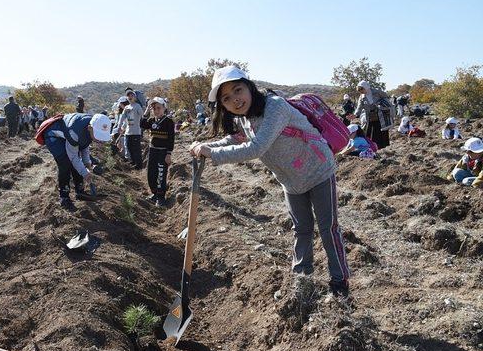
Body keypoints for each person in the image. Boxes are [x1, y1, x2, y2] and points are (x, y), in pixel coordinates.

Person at [189, 66, 350, 297]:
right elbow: (238, 137)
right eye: (227, 98)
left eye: (238, 90)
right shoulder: (246, 118)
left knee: (328, 229)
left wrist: (212, 154)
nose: (235, 100)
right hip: (291, 180)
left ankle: (339, 283)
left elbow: (257, 147)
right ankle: (302, 280)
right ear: (222, 105)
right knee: (301, 229)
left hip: (318, 169)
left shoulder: (275, 107)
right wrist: (205, 146)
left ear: (249, 87)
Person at [42, 113, 112, 210]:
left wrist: (87, 163)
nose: (99, 140)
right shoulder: (75, 132)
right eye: (98, 136)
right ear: (89, 128)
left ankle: (80, 191)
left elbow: (84, 146)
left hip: (67, 137)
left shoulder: (92, 125)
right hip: (53, 136)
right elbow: (74, 157)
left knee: (78, 164)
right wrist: (85, 173)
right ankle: (64, 196)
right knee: (65, 163)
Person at [141, 97, 175, 206]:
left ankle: (161, 197)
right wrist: (147, 110)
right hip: (153, 150)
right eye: (154, 108)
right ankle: (154, 193)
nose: (156, 111)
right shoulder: (151, 121)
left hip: (163, 151)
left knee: (161, 173)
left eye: (159, 108)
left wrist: (168, 154)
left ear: (164, 108)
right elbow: (142, 124)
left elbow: (171, 139)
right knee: (151, 173)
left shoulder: (168, 122)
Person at [353, 80, 391, 149]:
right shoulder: (362, 97)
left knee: (382, 131)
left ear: (366, 87)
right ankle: (374, 147)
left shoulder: (377, 92)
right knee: (371, 132)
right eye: (359, 90)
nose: (361, 91)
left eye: (362, 89)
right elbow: (359, 107)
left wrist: (382, 104)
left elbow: (386, 97)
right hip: (370, 116)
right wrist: (355, 115)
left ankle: (383, 147)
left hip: (380, 115)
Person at [117, 90, 144, 169]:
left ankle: (139, 166)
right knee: (129, 148)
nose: (130, 97)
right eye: (128, 96)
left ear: (135, 97)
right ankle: (133, 163)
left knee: (137, 149)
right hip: (128, 132)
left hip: (136, 132)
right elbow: (122, 117)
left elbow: (142, 115)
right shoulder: (126, 107)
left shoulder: (137, 106)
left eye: (131, 95)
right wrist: (119, 127)